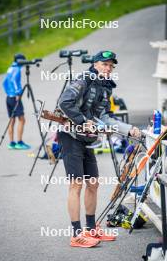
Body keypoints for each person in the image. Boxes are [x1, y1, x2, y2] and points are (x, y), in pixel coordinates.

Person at [58, 50, 141, 248]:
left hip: (87, 139)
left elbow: (105, 117)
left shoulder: (106, 87)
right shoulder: (84, 79)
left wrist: (129, 130)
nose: (108, 68)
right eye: (104, 64)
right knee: (76, 185)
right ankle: (77, 234)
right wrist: (81, 121)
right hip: (70, 137)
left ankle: (91, 229)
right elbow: (64, 102)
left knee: (93, 184)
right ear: (95, 64)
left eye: (111, 65)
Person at [2, 53, 31, 150]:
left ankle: (11, 143)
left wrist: (8, 92)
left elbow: (4, 82)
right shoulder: (17, 69)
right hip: (15, 97)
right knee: (22, 119)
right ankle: (19, 142)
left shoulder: (10, 68)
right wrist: (18, 93)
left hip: (9, 97)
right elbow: (14, 81)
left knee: (12, 120)